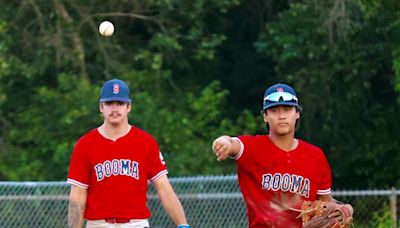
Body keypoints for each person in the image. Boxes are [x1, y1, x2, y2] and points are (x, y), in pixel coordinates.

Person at [212, 83, 353, 227]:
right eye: (274, 110)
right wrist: (224, 141)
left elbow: (326, 203)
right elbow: (234, 143)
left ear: (297, 113)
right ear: (265, 116)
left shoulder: (316, 156)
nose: (281, 116)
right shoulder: (252, 148)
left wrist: (345, 209)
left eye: (287, 109)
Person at [67, 78, 190, 228]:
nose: (114, 108)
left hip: (136, 224)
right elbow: (78, 196)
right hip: (98, 224)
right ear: (101, 107)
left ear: (128, 106)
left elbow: (164, 187)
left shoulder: (145, 142)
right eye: (109, 103)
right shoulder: (85, 144)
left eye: (120, 103)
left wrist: (183, 224)